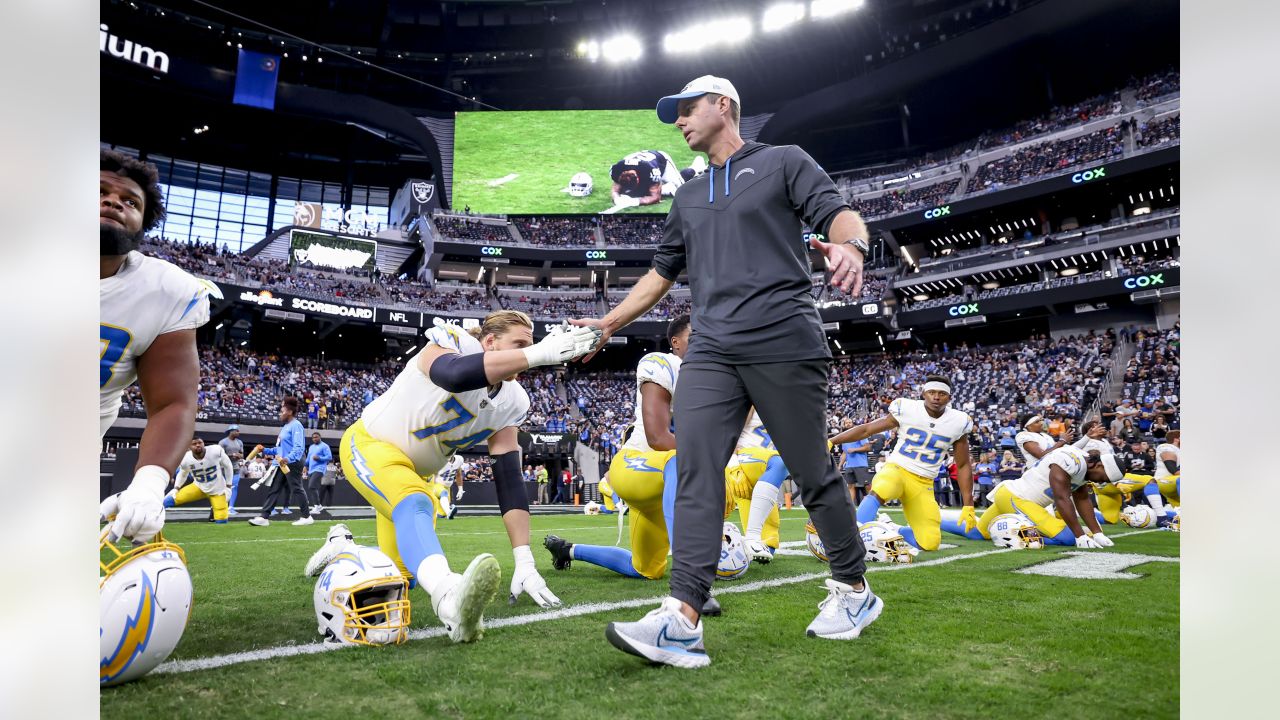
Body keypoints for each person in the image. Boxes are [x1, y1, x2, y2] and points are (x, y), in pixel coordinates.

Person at [577, 76, 881, 667]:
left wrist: (854, 249)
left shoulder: (783, 162)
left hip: (783, 336)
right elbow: (660, 276)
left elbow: (839, 215)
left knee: (812, 469)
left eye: (687, 110)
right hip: (712, 348)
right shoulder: (686, 197)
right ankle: (682, 616)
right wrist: (607, 325)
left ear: (724, 107)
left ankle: (855, 588)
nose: (679, 123)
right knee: (693, 469)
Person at [336, 311, 598, 643]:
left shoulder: (514, 400)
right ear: (489, 341)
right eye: (517, 344)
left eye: (528, 346)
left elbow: (507, 475)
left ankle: (341, 547)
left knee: (402, 577)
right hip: (371, 445)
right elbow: (453, 375)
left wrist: (524, 558)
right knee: (417, 505)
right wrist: (539, 353)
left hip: (416, 474)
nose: (523, 354)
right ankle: (449, 598)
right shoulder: (456, 342)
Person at [98, 150, 220, 544]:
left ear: (143, 224)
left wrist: (150, 483)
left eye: (130, 201)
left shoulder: (165, 291)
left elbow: (172, 403)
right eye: (98, 191)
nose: (114, 201)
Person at [544, 316, 695, 583]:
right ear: (675, 343)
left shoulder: (713, 376)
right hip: (638, 464)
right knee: (686, 462)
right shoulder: (664, 363)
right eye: (694, 338)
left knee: (646, 569)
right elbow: (658, 439)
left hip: (665, 487)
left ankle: (567, 550)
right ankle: (690, 568)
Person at [831, 376, 975, 552]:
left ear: (949, 397)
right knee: (882, 489)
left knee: (929, 543)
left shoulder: (959, 421)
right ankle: (848, 539)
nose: (936, 397)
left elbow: (963, 465)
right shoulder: (908, 408)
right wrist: (832, 441)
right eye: (932, 392)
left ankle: (890, 527)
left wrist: (968, 504)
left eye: (942, 393)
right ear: (924, 394)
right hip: (898, 470)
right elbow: (867, 429)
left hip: (924, 484)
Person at [943, 446, 1125, 547]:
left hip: (1012, 496)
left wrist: (1097, 533)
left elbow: (1082, 499)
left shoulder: (1084, 467)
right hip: (1017, 498)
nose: (1101, 483)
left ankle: (935, 521)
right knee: (1068, 538)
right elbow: (1062, 499)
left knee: (976, 533)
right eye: (1103, 478)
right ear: (1099, 467)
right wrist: (1079, 535)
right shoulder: (1071, 460)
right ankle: (1014, 535)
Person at [726, 409, 790, 562]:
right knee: (779, 463)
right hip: (743, 457)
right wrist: (732, 463)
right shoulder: (752, 396)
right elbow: (728, 430)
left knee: (769, 545)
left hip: (761, 464)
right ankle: (751, 536)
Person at [248, 397, 312, 526]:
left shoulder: (296, 425)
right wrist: (265, 450)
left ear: (289, 411)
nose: (279, 413)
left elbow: (299, 447)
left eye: (282, 410)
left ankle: (307, 517)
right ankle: (264, 517)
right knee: (274, 488)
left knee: (296, 488)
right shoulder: (285, 427)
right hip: (282, 462)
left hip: (292, 462)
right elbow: (279, 449)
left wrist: (288, 458)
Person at [164, 437, 235, 523]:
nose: (198, 445)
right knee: (169, 500)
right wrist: (176, 488)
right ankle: (150, 516)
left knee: (222, 520)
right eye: (194, 444)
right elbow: (183, 473)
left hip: (218, 489)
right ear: (188, 447)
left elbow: (228, 466)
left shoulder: (215, 451)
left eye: (200, 442)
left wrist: (228, 486)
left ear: (203, 443)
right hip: (198, 487)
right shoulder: (185, 458)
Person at [609, 150, 685, 207]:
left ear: (638, 179)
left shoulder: (650, 170)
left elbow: (656, 197)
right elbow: (615, 189)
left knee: (683, 191)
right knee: (635, 193)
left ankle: (695, 167)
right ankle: (667, 188)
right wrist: (616, 199)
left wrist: (635, 202)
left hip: (662, 161)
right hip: (641, 162)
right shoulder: (618, 169)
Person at [840, 419, 872, 506]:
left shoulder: (859, 434)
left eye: (849, 422)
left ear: (853, 424)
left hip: (861, 464)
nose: (848, 424)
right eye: (846, 423)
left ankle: (872, 504)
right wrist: (840, 465)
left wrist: (855, 449)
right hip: (849, 466)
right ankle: (850, 506)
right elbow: (844, 453)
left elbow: (868, 447)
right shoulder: (844, 437)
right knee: (850, 486)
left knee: (867, 486)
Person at [219, 425, 245, 516]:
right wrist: (231, 456)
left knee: (235, 487)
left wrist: (239, 456)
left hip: (235, 468)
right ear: (231, 431)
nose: (239, 432)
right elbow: (219, 456)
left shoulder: (239, 442)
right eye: (237, 431)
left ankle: (231, 507)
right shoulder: (223, 442)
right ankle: (222, 507)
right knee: (224, 488)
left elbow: (242, 455)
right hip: (224, 468)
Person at [306, 432, 333, 513]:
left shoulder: (325, 446)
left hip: (319, 469)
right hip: (311, 469)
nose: (315, 439)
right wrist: (305, 466)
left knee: (311, 486)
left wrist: (319, 458)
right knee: (312, 487)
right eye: (313, 437)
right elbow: (308, 458)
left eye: (316, 437)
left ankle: (317, 506)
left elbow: (329, 457)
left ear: (320, 437)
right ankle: (318, 506)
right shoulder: (311, 447)